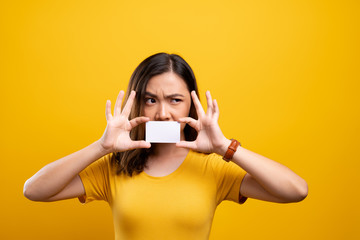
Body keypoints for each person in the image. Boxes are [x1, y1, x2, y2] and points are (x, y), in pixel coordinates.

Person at [23, 52, 308, 239]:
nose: (162, 113)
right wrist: (102, 147)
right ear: (138, 105)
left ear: (191, 104)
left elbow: (295, 191)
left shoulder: (212, 167)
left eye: (175, 100)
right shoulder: (115, 167)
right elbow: (34, 191)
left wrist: (224, 147)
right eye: (151, 100)